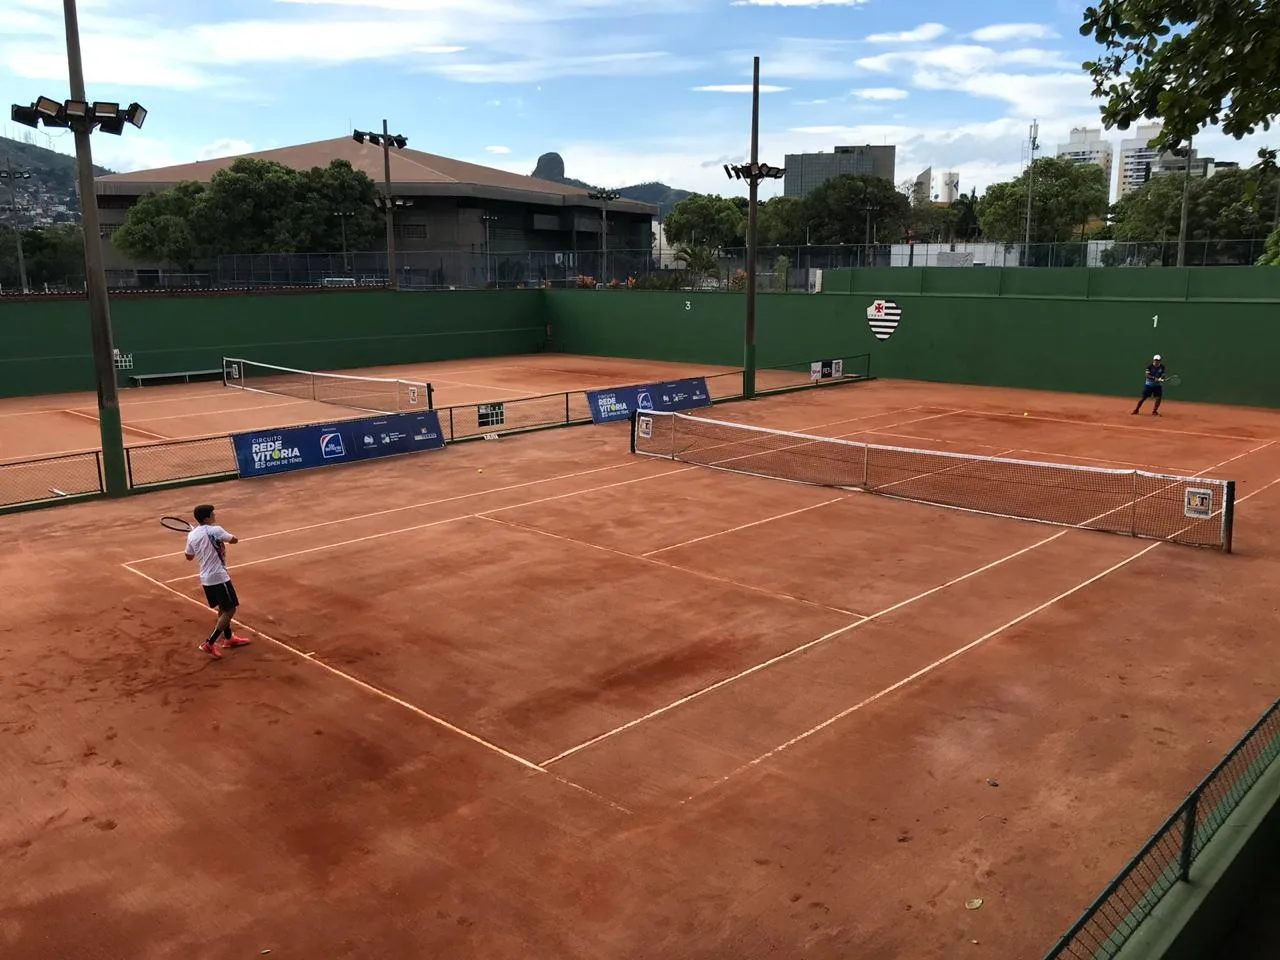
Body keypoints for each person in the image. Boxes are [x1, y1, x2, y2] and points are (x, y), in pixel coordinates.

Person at [184, 504, 251, 659]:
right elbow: (234, 540)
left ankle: (228, 638)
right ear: (207, 517)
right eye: (212, 513)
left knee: (223, 607)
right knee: (230, 609)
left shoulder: (192, 535)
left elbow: (189, 556)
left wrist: (195, 536)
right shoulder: (215, 530)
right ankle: (209, 642)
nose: (215, 515)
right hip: (219, 577)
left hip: (206, 579)